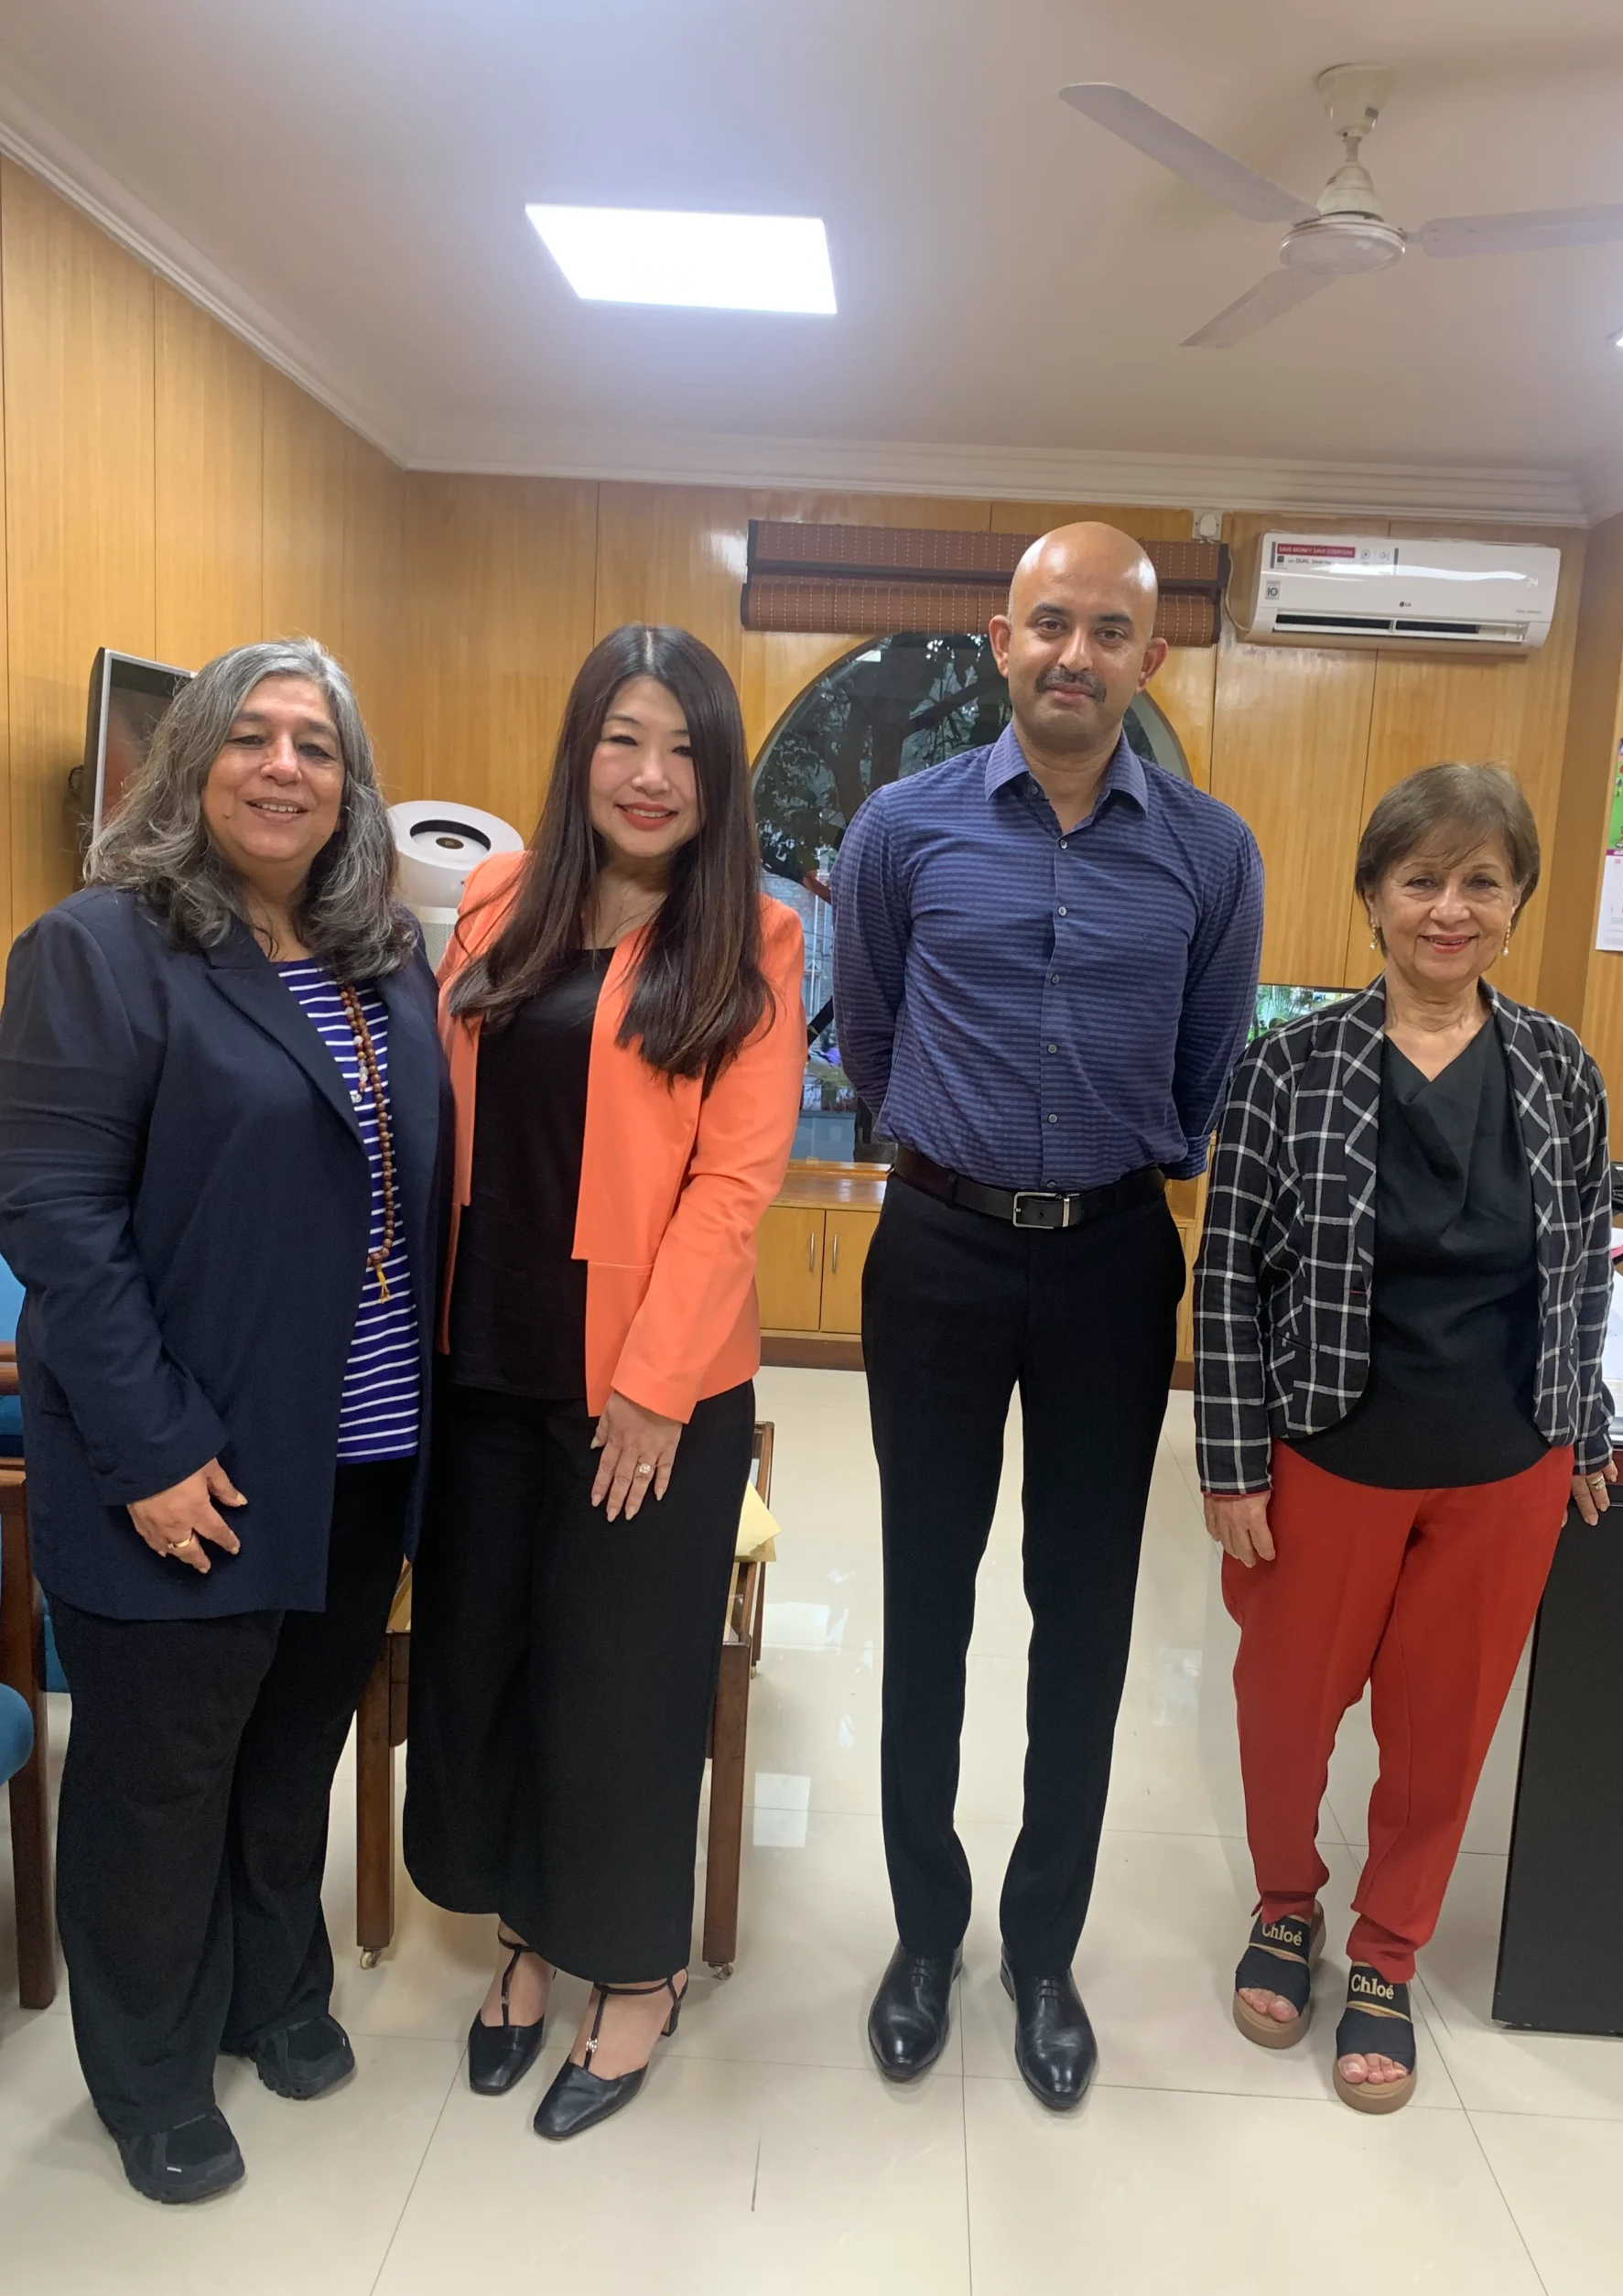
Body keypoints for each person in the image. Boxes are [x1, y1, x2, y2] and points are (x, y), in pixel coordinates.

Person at [0, 640, 446, 2203]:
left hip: (360, 1457)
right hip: (187, 1459)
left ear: (351, 786)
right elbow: (57, 1226)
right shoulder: (97, 951)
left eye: (316, 745)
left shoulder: (381, 956)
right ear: (188, 762)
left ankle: (274, 1987)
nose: (283, 767)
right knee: (160, 1777)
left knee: (290, 1747)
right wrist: (152, 1450)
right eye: (250, 736)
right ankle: (151, 2074)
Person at [833, 523, 1264, 2108]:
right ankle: (921, 1933)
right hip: (938, 1253)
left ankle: (1042, 1949)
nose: (1076, 653)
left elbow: (1207, 1065)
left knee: (1083, 1617)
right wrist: (953, 1155)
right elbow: (869, 1035)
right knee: (926, 1602)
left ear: (1154, 657)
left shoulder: (1212, 854)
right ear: (999, 640)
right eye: (1050, 623)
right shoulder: (901, 828)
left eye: (1110, 631)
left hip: (1110, 1262)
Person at [405, 624, 805, 2141]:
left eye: (684, 749)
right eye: (624, 739)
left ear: (719, 776)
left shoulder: (753, 938)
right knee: (492, 1660)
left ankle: (636, 1970)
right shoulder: (497, 902)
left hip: (647, 1385)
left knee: (620, 1687)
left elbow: (732, 1185)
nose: (651, 775)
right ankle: (526, 1930)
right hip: (482, 1362)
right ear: (581, 750)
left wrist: (651, 1388)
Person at [1196, 762, 1614, 2115]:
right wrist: (1230, 1461)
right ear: (1373, 895)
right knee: (1285, 1712)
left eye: (1481, 881)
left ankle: (1387, 1954)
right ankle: (1286, 1902)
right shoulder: (1290, 1065)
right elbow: (1228, 1277)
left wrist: (1586, 1428)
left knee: (1444, 1729)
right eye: (1421, 879)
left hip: (1504, 1461)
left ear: (1516, 902)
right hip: (1327, 1455)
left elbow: (1581, 1275)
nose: (1450, 909)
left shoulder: (1560, 1068)